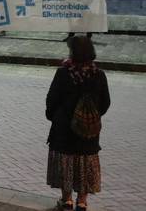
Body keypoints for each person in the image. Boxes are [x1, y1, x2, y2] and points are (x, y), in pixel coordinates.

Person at [46, 37, 110, 211]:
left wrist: (55, 117)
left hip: (63, 130)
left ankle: (66, 200)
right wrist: (90, 118)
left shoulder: (63, 73)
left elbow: (51, 101)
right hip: (87, 132)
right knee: (84, 164)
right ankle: (82, 201)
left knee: (66, 164)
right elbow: (105, 104)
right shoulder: (99, 74)